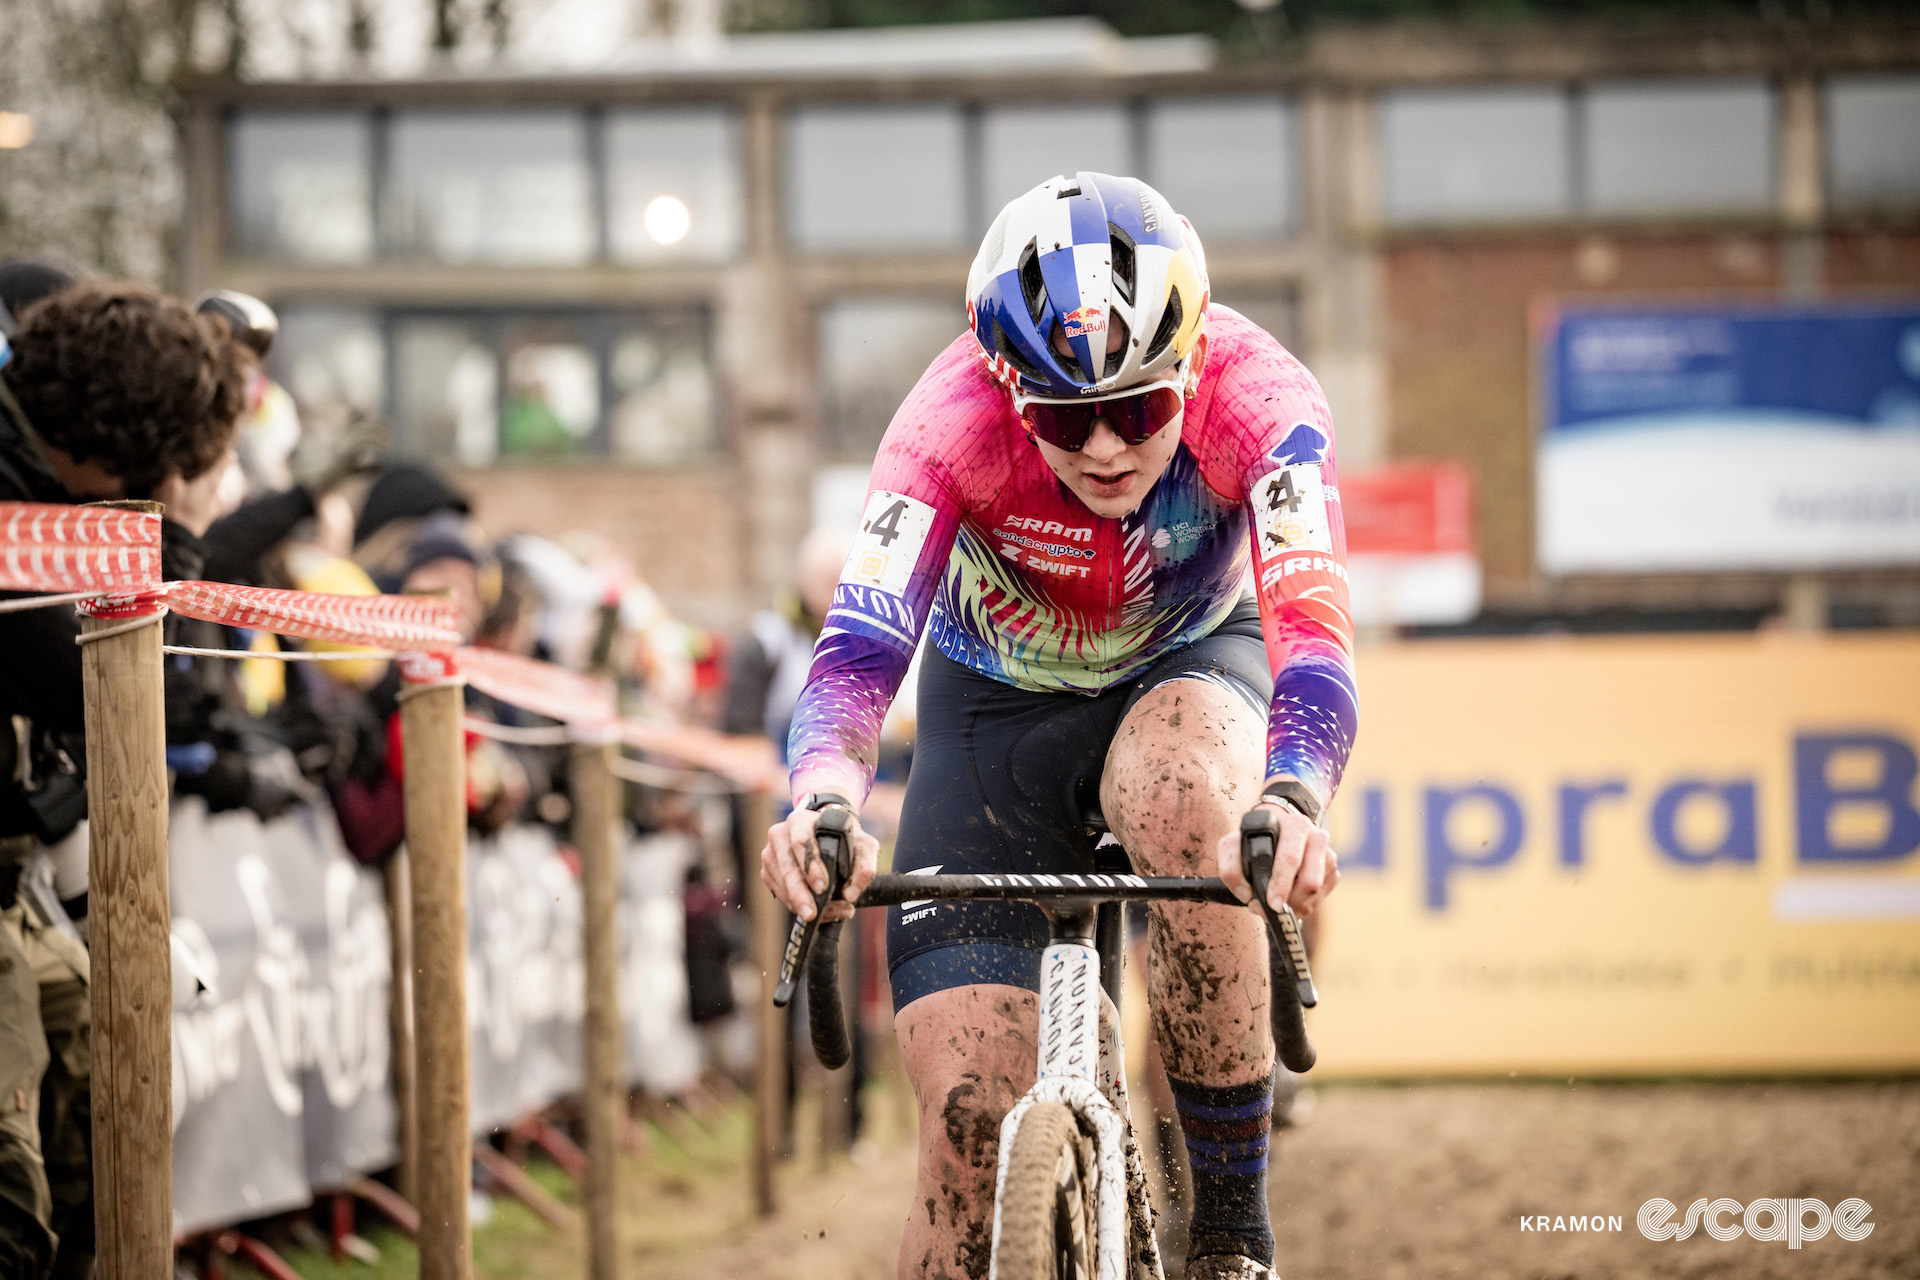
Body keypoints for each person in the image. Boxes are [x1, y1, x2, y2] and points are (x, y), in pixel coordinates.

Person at [760, 173, 1356, 1280]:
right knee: (971, 1127)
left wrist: (1293, 792)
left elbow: (1313, 635)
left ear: (1192, 366)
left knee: (1188, 796)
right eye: (1064, 419)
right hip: (994, 713)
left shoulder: (1266, 401)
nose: (1107, 448)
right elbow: (855, 653)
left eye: (1139, 409)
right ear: (1004, 392)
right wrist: (823, 799)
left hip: (1189, 664)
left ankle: (1231, 1230)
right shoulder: (941, 429)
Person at [0, 277, 251, 1279]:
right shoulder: (16, 493)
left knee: (110, 1133)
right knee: (15, 1215)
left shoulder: (36, 478)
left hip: (17, 881)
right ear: (109, 455)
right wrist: (174, 529)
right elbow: (101, 685)